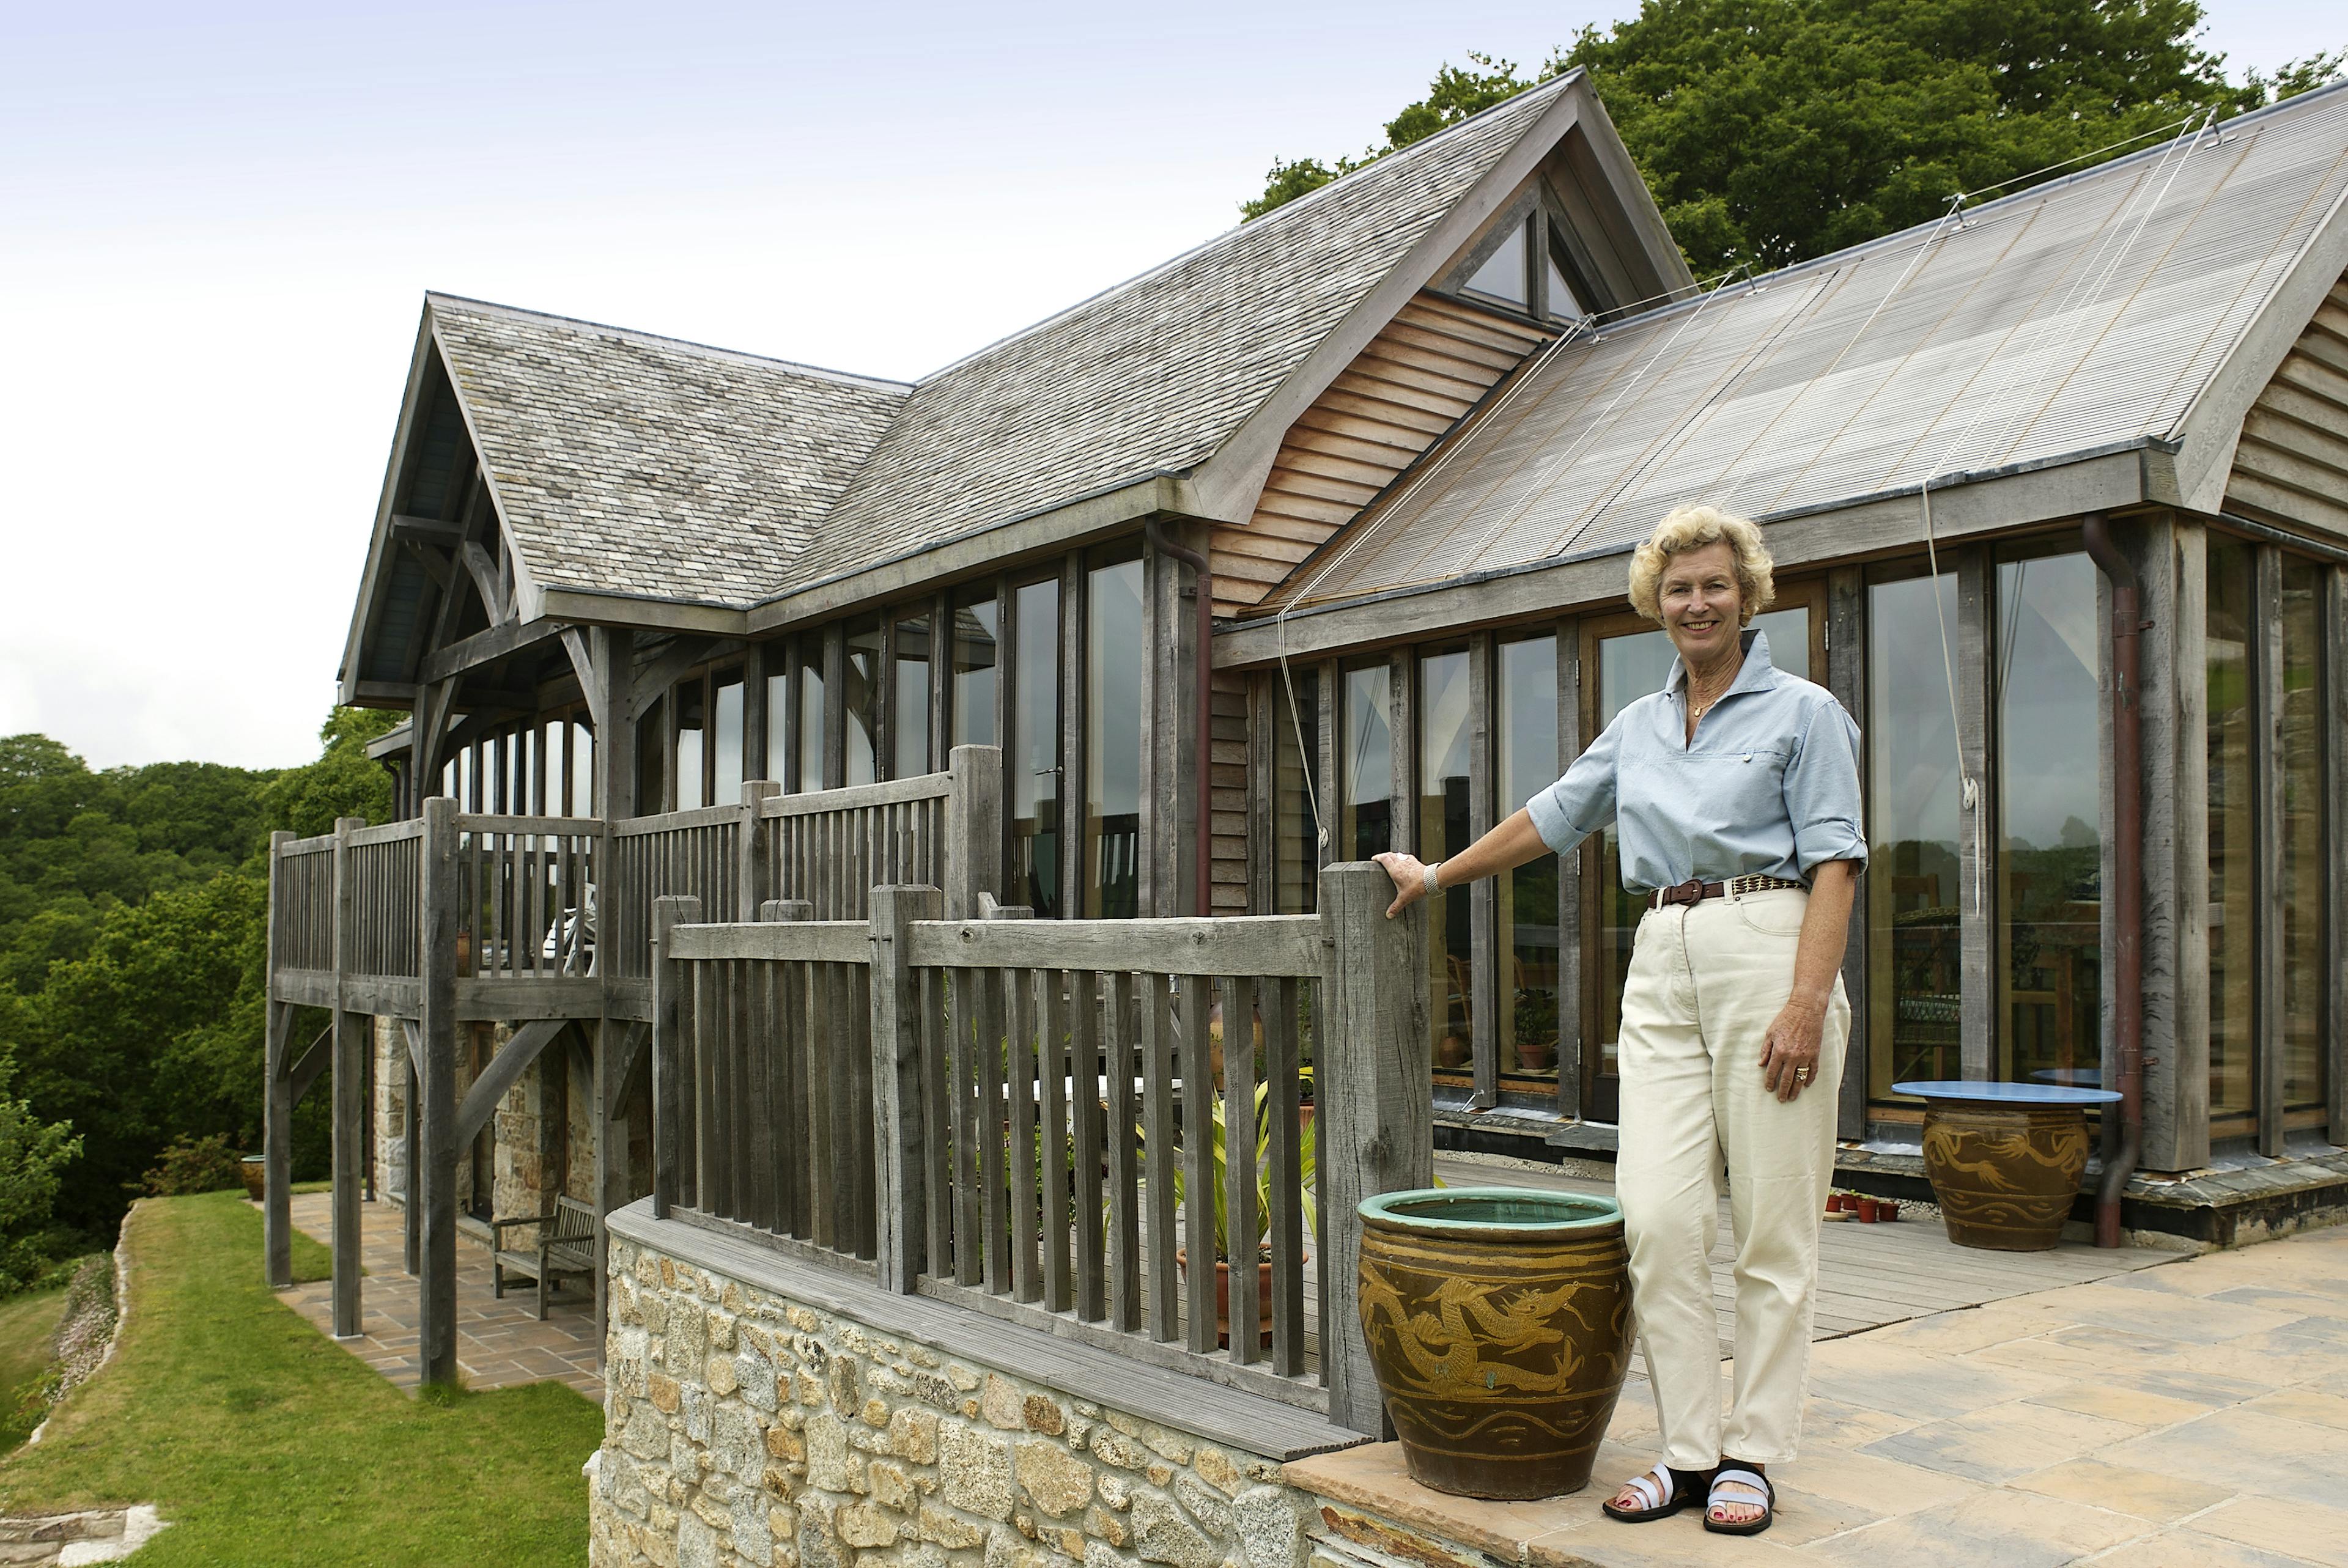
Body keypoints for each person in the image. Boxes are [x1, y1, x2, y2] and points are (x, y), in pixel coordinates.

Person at [1373, 504, 1863, 1537]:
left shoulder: (1805, 711)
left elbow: (1837, 861)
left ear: (1748, 594)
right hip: (1661, 959)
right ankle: (1688, 1451)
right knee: (1658, 1220)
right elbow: (1551, 815)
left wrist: (1808, 1001)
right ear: (1656, 603)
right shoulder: (1637, 726)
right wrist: (1439, 872)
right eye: (1679, 587)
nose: (1698, 602)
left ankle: (1753, 1455)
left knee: (1774, 1228)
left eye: (1716, 585)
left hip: (1769, 945)